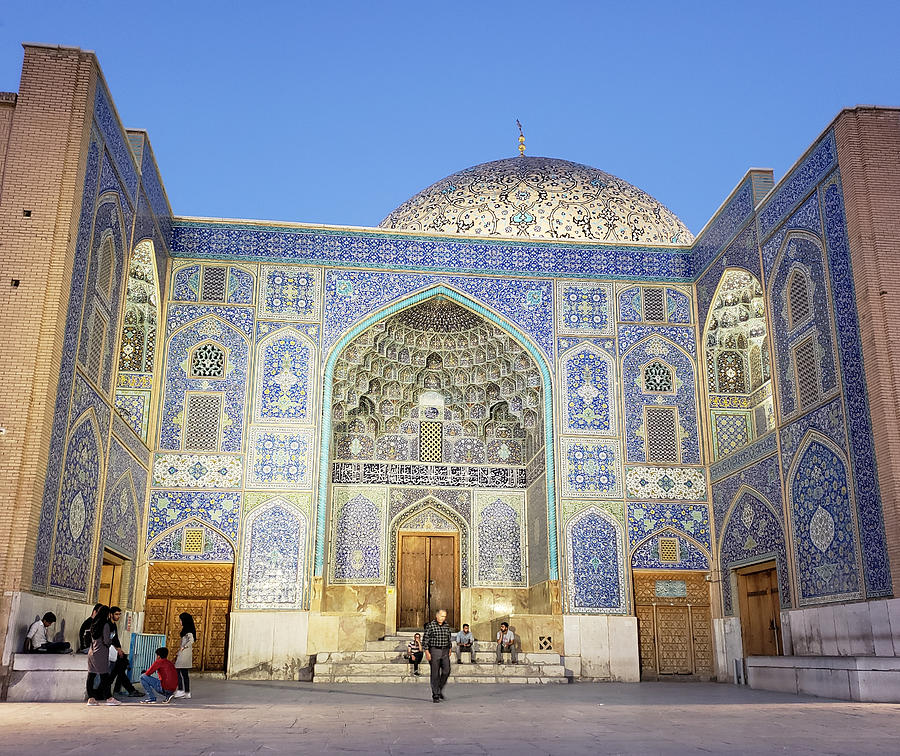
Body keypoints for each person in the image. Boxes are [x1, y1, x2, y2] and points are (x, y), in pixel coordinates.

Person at [86, 605, 121, 706]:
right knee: (104, 677)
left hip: (92, 652)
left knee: (91, 676)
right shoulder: (105, 625)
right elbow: (106, 641)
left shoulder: (94, 623)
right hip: (101, 653)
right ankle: (109, 698)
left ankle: (91, 699)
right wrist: (111, 642)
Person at [107, 606, 141, 697]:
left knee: (120, 669)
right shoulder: (108, 625)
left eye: (119, 614)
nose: (118, 616)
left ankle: (119, 689)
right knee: (121, 669)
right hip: (110, 652)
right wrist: (117, 649)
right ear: (111, 614)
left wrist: (119, 649)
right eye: (116, 614)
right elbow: (109, 639)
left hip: (115, 651)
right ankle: (129, 690)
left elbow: (115, 639)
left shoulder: (113, 625)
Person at [422, 608, 451, 703]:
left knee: (446, 670)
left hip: (445, 651)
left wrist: (450, 648)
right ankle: (435, 694)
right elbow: (425, 640)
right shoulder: (430, 626)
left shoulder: (446, 626)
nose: (443, 618)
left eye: (445, 616)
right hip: (434, 650)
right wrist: (427, 652)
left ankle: (439, 688)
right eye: (442, 616)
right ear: (437, 616)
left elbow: (449, 638)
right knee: (435, 674)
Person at [172, 612, 195, 699]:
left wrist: (183, 647)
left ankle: (181, 690)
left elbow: (191, 640)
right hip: (185, 654)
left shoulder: (188, 630)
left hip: (184, 654)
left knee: (177, 671)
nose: (180, 622)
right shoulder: (187, 629)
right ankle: (187, 692)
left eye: (181, 620)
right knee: (184, 674)